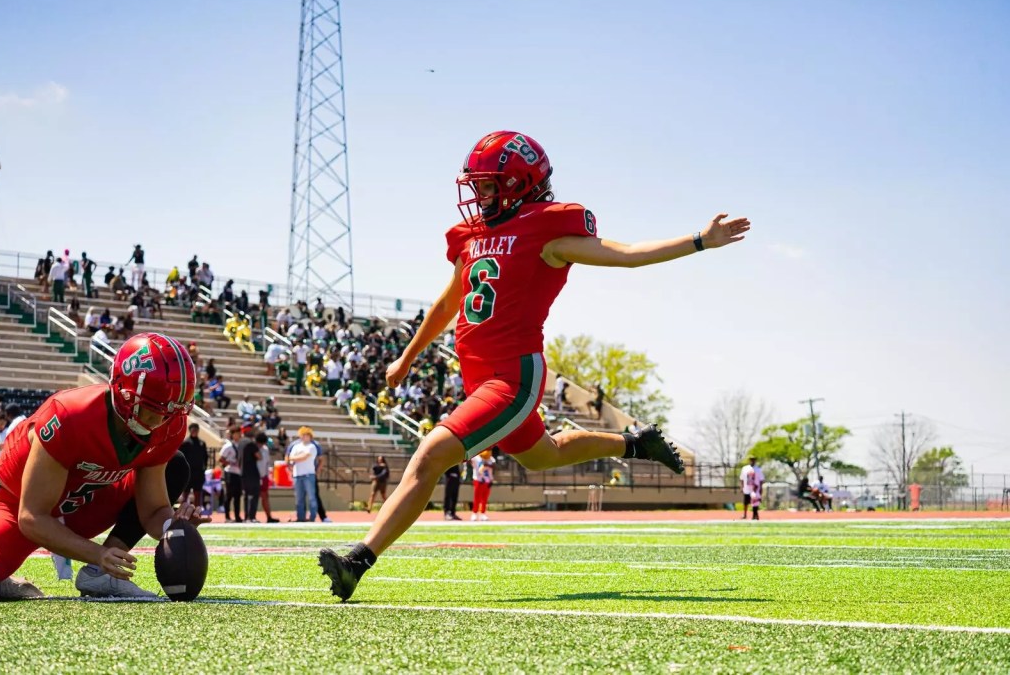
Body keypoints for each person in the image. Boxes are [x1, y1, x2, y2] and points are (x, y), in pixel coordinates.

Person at [317, 130, 750, 600]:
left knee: (431, 455)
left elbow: (624, 256)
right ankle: (634, 442)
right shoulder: (472, 236)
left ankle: (358, 561)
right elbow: (448, 303)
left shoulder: (547, 230)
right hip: (478, 374)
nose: (479, 195)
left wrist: (699, 241)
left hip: (512, 377)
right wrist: (408, 354)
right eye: (477, 184)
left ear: (520, 183)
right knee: (547, 455)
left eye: (488, 184)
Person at [0, 333, 205, 600]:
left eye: (170, 411)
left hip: (83, 500)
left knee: (176, 466)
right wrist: (98, 553)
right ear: (123, 392)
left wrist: (173, 525)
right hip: (16, 504)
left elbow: (152, 510)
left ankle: (99, 576)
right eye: (151, 409)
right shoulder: (71, 415)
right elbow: (32, 517)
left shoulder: (169, 424)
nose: (161, 420)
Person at [286, 427, 318, 522]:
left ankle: (312, 517)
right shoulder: (296, 446)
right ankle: (300, 517)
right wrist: (294, 458)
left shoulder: (312, 447)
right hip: (297, 474)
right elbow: (289, 457)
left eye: (306, 435)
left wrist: (294, 458)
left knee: (311, 497)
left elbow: (304, 457)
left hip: (308, 474)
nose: (304, 437)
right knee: (299, 498)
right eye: (302, 435)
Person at [178, 423, 209, 511]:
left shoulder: (202, 443)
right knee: (185, 493)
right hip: (188, 472)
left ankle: (197, 512)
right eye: (193, 429)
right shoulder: (185, 443)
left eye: (196, 429)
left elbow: (205, 457)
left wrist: (204, 468)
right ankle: (181, 512)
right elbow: (181, 457)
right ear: (190, 430)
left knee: (198, 494)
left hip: (199, 472)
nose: (194, 431)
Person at [218, 426, 243, 523]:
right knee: (229, 495)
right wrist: (230, 463)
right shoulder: (228, 446)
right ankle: (227, 516)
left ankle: (237, 516)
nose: (239, 435)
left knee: (237, 495)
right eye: (237, 433)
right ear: (232, 434)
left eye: (239, 432)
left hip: (238, 473)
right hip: (230, 473)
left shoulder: (240, 445)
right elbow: (221, 459)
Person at [240, 432, 264, 523]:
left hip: (244, 474)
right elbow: (259, 456)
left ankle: (247, 517)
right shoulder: (252, 446)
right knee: (254, 496)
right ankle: (252, 517)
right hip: (252, 474)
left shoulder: (242, 446)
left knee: (246, 496)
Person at [470, 448, 496, 521]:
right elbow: (470, 461)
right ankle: (474, 513)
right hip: (478, 480)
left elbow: (493, 467)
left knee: (484, 498)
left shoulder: (491, 459)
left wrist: (491, 480)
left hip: (487, 481)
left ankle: (483, 514)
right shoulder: (476, 458)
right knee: (477, 498)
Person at [738, 456, 764, 520]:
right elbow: (741, 479)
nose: (752, 461)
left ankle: (755, 515)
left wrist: (760, 488)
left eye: (753, 460)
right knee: (746, 502)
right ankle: (745, 515)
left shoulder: (758, 469)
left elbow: (761, 480)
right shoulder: (745, 468)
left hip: (755, 489)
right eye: (751, 460)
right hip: (747, 488)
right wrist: (742, 487)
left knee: (755, 503)